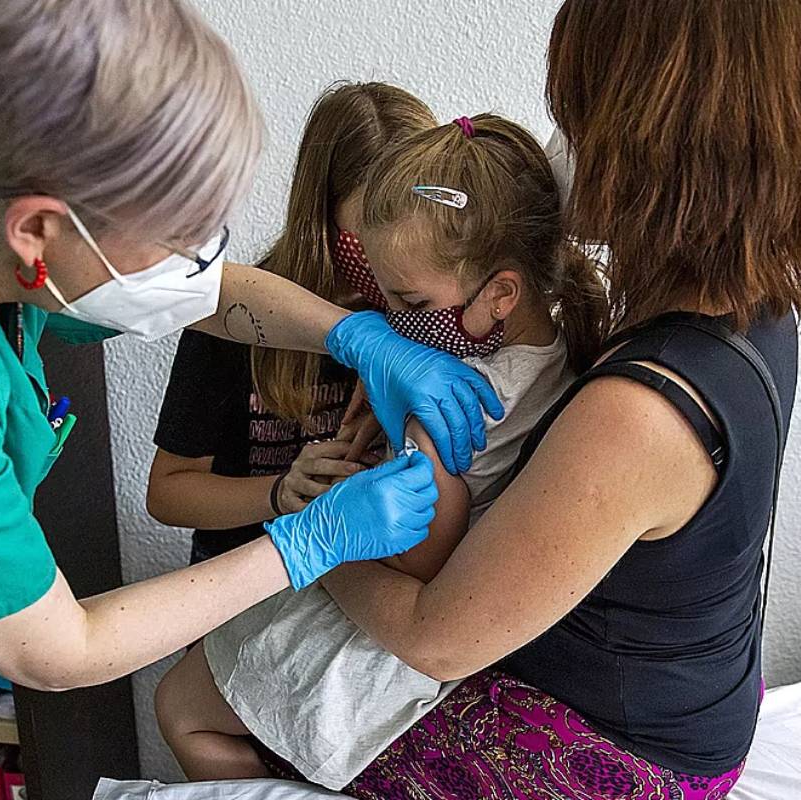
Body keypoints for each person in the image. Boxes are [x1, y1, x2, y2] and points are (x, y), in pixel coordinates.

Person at [0, 2, 505, 797]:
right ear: (37, 232)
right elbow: (56, 650)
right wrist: (309, 541)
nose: (198, 261)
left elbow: (209, 293)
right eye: (176, 235)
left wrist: (357, 338)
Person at [240, 3, 801, 799]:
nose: (559, 147)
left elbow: (438, 639)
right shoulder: (753, 303)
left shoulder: (642, 410)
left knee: (216, 694)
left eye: (573, 114)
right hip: (697, 707)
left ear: (645, 144)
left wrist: (312, 548)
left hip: (631, 755)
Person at [156, 113, 607, 788]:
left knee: (180, 708)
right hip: (405, 623)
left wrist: (338, 512)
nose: (393, 318)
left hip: (381, 631)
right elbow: (167, 489)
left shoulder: (447, 404)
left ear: (500, 292)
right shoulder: (568, 345)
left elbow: (426, 551)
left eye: (407, 298)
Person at [147, 82, 437, 566]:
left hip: (364, 579)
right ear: (323, 207)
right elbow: (168, 494)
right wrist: (282, 493)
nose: (393, 242)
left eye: (410, 215)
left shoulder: (432, 313)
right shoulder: (235, 321)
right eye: (373, 219)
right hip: (244, 571)